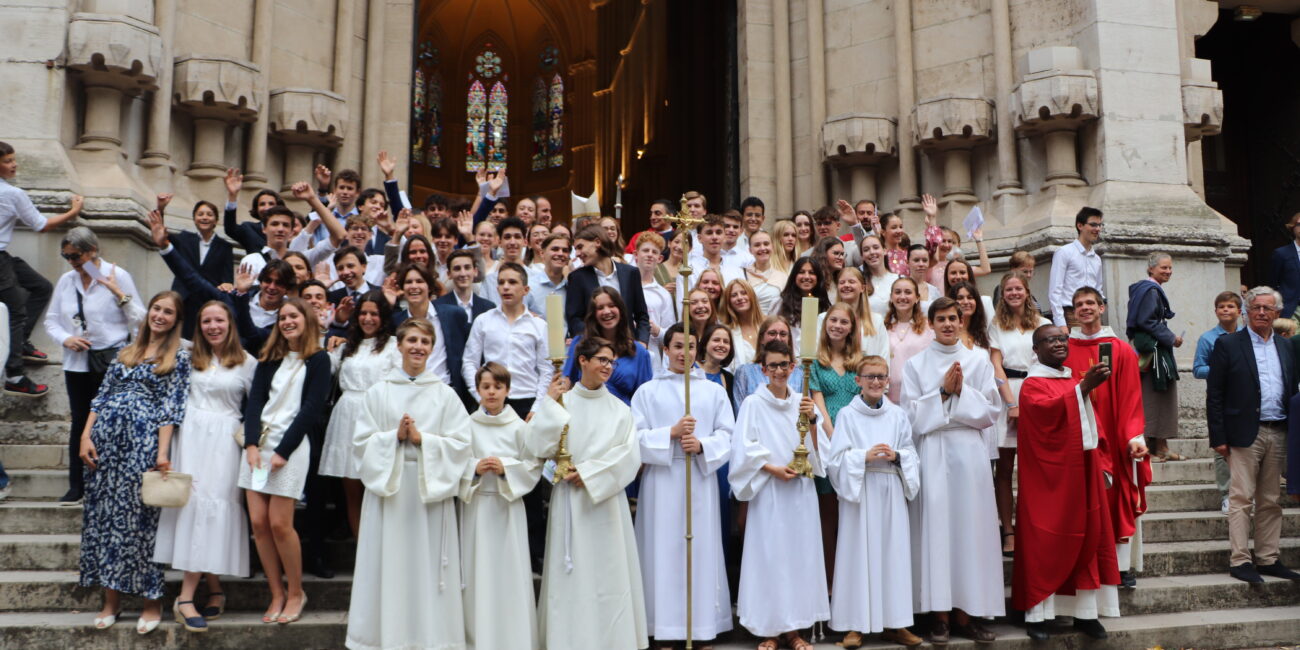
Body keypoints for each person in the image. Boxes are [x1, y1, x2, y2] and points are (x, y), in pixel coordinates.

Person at [346, 318, 475, 650]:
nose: (418, 347)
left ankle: (431, 640)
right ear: (400, 345)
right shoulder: (379, 392)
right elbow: (360, 444)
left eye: (425, 342)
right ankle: (384, 638)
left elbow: (462, 445)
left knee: (426, 569)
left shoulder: (445, 395)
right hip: (389, 492)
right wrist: (394, 437)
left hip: (428, 493)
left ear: (432, 349)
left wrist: (422, 440)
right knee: (389, 566)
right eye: (412, 340)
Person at [77, 291, 191, 634]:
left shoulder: (178, 357)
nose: (160, 315)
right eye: (156, 308)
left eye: (168, 312)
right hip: (104, 446)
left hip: (142, 446)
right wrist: (85, 436)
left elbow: (171, 409)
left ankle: (151, 601)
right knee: (104, 521)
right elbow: (101, 397)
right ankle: (110, 601)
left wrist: (162, 453)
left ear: (176, 320)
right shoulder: (124, 352)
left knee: (141, 525)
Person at [530, 335, 649, 650]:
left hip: (607, 504)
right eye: (602, 360)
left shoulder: (620, 410)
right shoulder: (563, 403)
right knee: (571, 574)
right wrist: (549, 405)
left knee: (608, 573)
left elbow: (629, 456)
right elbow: (537, 446)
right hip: (570, 499)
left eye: (612, 362)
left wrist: (590, 473)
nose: (609, 366)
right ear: (582, 360)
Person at [902, 297, 1003, 645]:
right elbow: (910, 417)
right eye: (941, 319)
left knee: (970, 531)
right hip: (933, 449)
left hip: (969, 450)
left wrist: (962, 393)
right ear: (930, 324)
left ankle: (967, 614)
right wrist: (943, 393)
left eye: (952, 318)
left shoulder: (978, 360)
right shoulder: (916, 364)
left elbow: (990, 411)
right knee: (937, 531)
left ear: (962, 321)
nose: (947, 324)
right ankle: (939, 616)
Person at [1014, 324, 1123, 641]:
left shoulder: (1072, 380)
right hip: (1047, 479)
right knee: (1043, 541)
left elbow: (1093, 425)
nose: (1059, 343)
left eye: (1062, 338)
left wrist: (1102, 461)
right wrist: (1083, 388)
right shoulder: (1032, 385)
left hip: (1081, 471)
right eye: (1050, 340)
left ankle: (1085, 613)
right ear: (1036, 349)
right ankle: (1037, 615)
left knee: (1087, 535)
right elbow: (1044, 418)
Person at [153, 301, 256, 632]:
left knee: (214, 508)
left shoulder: (247, 362)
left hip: (225, 443)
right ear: (199, 327)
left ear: (230, 323)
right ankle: (209, 590)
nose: (213, 326)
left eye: (219, 320)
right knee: (194, 507)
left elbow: (257, 408)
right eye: (206, 321)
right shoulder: (187, 356)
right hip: (190, 438)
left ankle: (186, 597)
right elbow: (149, 319)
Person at [630, 322, 734, 647]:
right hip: (661, 479)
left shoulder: (713, 391)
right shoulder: (648, 391)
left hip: (699, 477)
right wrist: (670, 434)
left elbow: (728, 435)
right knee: (662, 551)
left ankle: (701, 629)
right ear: (665, 350)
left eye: (690, 346)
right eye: (677, 346)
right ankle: (664, 629)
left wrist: (702, 445)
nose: (683, 353)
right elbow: (633, 438)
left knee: (699, 551)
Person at [730, 340, 827, 650]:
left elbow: (819, 452)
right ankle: (769, 630)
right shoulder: (753, 404)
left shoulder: (803, 402)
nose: (779, 371)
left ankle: (794, 630)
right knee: (770, 558)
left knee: (798, 558)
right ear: (763, 369)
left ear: (793, 367)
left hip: (799, 491)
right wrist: (772, 468)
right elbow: (742, 449)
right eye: (772, 366)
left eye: (784, 365)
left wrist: (813, 421)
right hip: (769, 490)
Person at [461, 362, 565, 650]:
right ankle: (476, 639)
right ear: (477, 390)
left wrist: (506, 468)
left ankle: (512, 639)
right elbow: (455, 461)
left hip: (507, 508)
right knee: (477, 573)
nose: (492, 392)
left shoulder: (519, 427)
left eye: (498, 387)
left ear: (507, 390)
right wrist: (474, 468)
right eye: (486, 387)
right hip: (476, 507)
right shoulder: (466, 425)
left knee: (508, 574)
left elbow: (532, 465)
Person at [240, 298, 331, 624]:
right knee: (259, 523)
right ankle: (276, 593)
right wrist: (251, 444)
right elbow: (255, 403)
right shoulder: (270, 358)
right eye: (282, 318)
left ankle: (295, 592)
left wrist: (284, 451)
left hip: (290, 449)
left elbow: (311, 409)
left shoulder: (319, 359)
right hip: (259, 449)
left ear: (307, 320)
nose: (288, 322)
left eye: (294, 316)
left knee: (280, 523)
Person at [827, 355, 923, 649]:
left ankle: (896, 623)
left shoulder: (897, 414)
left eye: (881, 377)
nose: (876, 382)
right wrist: (863, 456)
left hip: (890, 489)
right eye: (870, 377)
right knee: (857, 555)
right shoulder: (847, 415)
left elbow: (911, 453)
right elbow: (835, 460)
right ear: (858, 380)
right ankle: (854, 626)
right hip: (861, 490)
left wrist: (897, 456)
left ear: (888, 381)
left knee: (893, 555)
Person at [44, 226, 146, 503]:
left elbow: (140, 318)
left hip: (111, 362)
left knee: (109, 421)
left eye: (75, 256)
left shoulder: (116, 275)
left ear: (92, 251)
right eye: (66, 256)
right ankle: (76, 484)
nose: (71, 262)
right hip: (77, 362)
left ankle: (109, 482)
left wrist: (116, 291)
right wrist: (66, 339)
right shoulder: (67, 280)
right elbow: (51, 320)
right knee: (80, 420)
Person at [1206, 286, 1300, 584]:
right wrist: (1218, 437)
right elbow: (1215, 394)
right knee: (1241, 497)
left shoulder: (1286, 346)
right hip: (1244, 432)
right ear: (1246, 311)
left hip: (1279, 429)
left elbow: (1292, 388)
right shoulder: (1228, 344)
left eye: (1267, 308)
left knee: (1271, 498)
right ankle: (1240, 560)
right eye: (1256, 307)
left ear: (1277, 313)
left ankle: (1268, 557)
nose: (1261, 312)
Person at [1063, 287, 1150, 588]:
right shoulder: (1064, 349)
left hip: (1113, 436)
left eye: (1090, 303)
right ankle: (1083, 562)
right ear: (1073, 312)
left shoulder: (1121, 350)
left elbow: (1131, 397)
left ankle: (1120, 566)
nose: (1085, 308)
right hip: (1078, 436)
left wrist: (1133, 437)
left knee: (1116, 499)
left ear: (1102, 308)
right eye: (1079, 304)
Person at [0, 140, 83, 395]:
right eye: (8, 161)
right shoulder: (13, 194)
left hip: (4, 257)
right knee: (15, 311)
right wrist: (73, 212)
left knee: (41, 287)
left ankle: (20, 343)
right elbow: (42, 225)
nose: (14, 165)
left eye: (13, 159)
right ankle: (14, 376)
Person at [323, 291, 398, 538]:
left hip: (378, 415)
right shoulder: (346, 345)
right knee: (352, 491)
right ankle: (360, 547)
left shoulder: (394, 346)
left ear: (383, 317)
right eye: (363, 313)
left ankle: (382, 546)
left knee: (376, 487)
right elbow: (325, 367)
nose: (367, 318)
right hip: (347, 417)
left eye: (374, 314)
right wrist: (330, 335)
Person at [988, 272, 1051, 556]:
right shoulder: (996, 325)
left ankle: (1032, 526)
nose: (1013, 293)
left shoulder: (1042, 324)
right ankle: (1008, 530)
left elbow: (1047, 363)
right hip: (1007, 393)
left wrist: (1033, 399)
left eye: (1018, 288)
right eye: (1008, 289)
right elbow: (996, 365)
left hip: (1036, 391)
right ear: (1002, 294)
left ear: (1027, 291)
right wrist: (1011, 403)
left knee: (1034, 468)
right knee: (1004, 468)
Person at [809, 302, 864, 591]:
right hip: (827, 438)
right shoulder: (815, 363)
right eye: (833, 320)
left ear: (852, 328)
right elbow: (818, 404)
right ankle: (831, 582)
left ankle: (854, 581)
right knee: (828, 515)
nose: (838, 326)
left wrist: (853, 440)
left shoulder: (860, 362)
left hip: (857, 438)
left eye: (844, 322)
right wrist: (835, 437)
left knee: (852, 514)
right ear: (825, 324)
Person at [462, 262, 551, 417]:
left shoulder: (538, 325)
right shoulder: (483, 321)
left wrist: (537, 407)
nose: (506, 287)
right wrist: (479, 396)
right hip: (492, 400)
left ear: (525, 290)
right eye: (501, 282)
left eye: (512, 282)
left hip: (527, 400)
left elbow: (546, 369)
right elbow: (469, 362)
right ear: (497, 288)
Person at [1126, 252, 1183, 461]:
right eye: (1163, 267)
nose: (1168, 271)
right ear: (1151, 269)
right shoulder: (1150, 290)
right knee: (1156, 395)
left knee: (1156, 395)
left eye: (1170, 268)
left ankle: (1159, 445)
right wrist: (1171, 337)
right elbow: (1147, 321)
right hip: (1154, 351)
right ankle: (1155, 447)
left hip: (1151, 349)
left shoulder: (1146, 289)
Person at [563, 286, 654, 405]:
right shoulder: (580, 343)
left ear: (621, 310)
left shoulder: (639, 352)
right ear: (593, 314)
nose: (606, 311)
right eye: (600, 308)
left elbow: (644, 398)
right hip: (584, 411)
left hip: (623, 414)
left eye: (611, 305)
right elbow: (567, 382)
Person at [1193, 291, 1242, 513]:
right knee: (1222, 447)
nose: (1225, 310)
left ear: (1239, 311)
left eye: (1230, 306)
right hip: (1220, 398)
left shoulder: (1247, 336)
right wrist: (1222, 370)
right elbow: (1198, 369)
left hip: (1246, 398)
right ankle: (1227, 493)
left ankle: (1246, 491)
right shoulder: (1208, 338)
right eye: (1221, 306)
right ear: (1215, 311)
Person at [567, 225, 651, 342]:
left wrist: (642, 342)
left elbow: (642, 315)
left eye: (580, 247)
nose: (577, 253)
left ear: (597, 242)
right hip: (596, 347)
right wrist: (594, 341)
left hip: (628, 346)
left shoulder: (630, 273)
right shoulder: (577, 278)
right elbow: (574, 319)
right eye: (575, 249)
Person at [167, 198, 234, 339]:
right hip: (183, 298)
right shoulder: (184, 238)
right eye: (200, 214)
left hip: (208, 300)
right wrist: (161, 209)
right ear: (194, 219)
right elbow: (162, 238)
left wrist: (227, 285)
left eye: (209, 214)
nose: (205, 217)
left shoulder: (225, 247)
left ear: (216, 220)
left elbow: (227, 278)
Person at [1048, 207, 1104, 329]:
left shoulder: (1097, 259)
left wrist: (1099, 315)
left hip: (1093, 315)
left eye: (1100, 225)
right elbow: (1055, 290)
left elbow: (1098, 290)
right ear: (1080, 226)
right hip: (1070, 314)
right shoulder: (1064, 252)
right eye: (1093, 225)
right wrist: (1060, 323)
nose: (1098, 229)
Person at [733, 315, 805, 404]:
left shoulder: (799, 374)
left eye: (783, 334)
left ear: (789, 339)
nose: (778, 338)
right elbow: (741, 409)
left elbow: (805, 407)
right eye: (772, 333)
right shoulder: (744, 372)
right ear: (761, 338)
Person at [884, 276, 934, 404]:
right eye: (897, 292)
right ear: (891, 297)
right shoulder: (883, 327)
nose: (902, 297)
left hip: (919, 396)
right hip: (889, 398)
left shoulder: (929, 328)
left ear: (917, 298)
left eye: (908, 292)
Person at [633, 232, 676, 373]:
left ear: (660, 258)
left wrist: (657, 330)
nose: (650, 255)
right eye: (645, 250)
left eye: (654, 252)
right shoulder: (624, 286)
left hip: (653, 361)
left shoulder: (663, 294)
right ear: (636, 255)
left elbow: (670, 334)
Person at [829, 267, 889, 360]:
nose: (846, 285)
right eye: (842, 282)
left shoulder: (876, 320)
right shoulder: (825, 318)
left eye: (851, 282)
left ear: (862, 288)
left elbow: (884, 355)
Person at [720, 279, 764, 371]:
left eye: (744, 293)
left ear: (752, 295)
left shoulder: (767, 325)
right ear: (728, 302)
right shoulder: (726, 332)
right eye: (734, 295)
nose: (739, 298)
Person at [743, 230, 786, 315]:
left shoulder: (782, 277)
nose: (762, 248)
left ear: (772, 247)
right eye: (757, 245)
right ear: (750, 250)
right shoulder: (743, 275)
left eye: (766, 244)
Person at [1268, 211, 1300, 319]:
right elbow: (1273, 283)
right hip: (1291, 309)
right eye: (1299, 224)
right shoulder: (1281, 253)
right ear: (1292, 227)